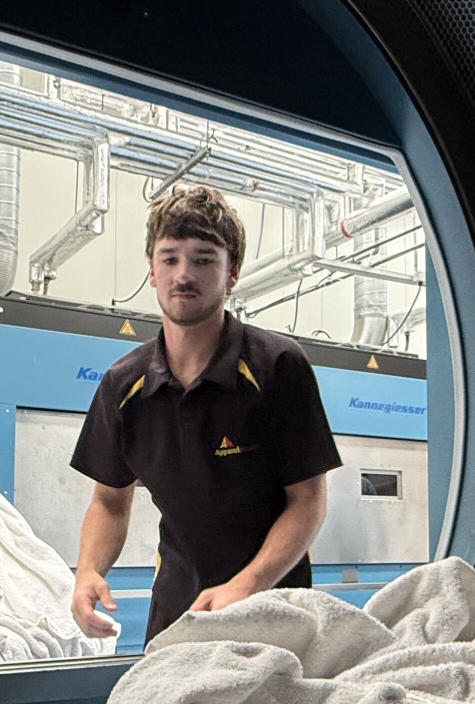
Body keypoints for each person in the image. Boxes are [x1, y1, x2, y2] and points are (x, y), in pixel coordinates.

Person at [70, 184, 342, 644]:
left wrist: (247, 585)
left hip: (272, 606)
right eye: (169, 257)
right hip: (178, 611)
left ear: (231, 273)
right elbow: (109, 502)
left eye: (203, 259)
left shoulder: (277, 366)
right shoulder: (123, 385)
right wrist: (87, 571)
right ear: (152, 272)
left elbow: (308, 501)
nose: (183, 274)